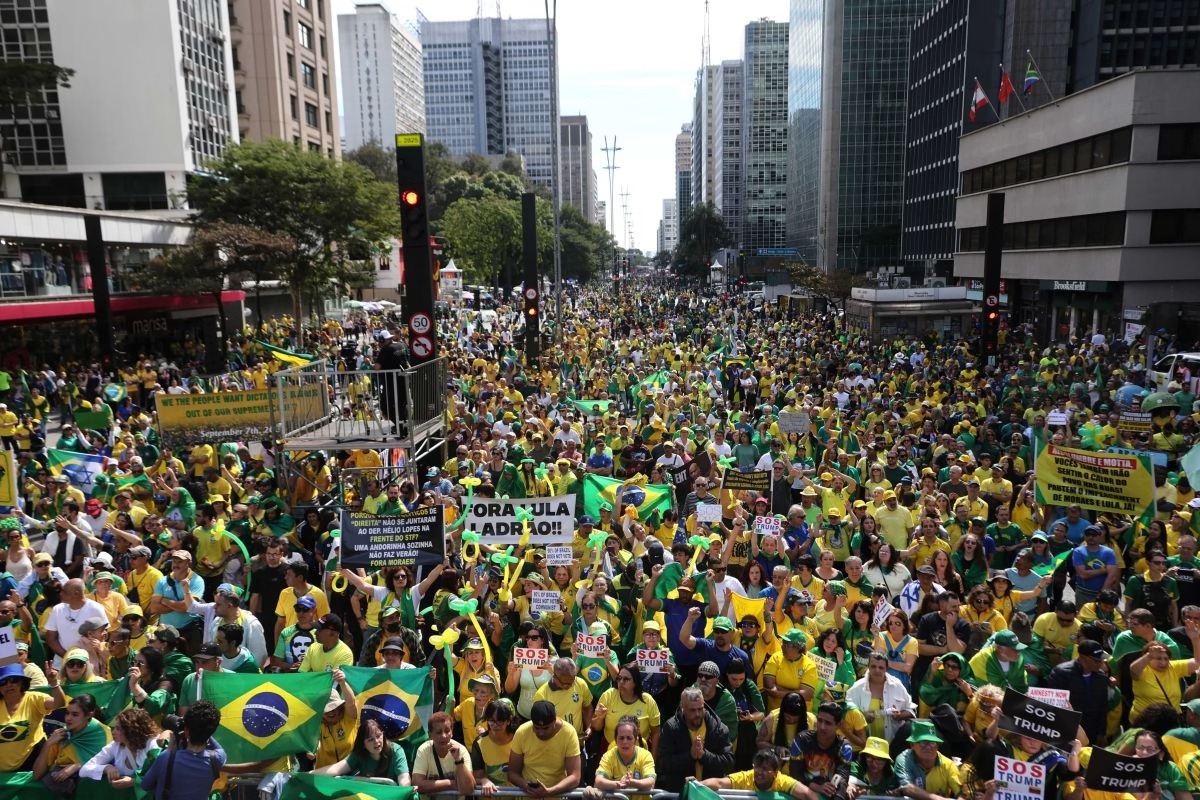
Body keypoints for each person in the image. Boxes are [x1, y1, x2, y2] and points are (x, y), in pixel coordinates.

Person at [140, 701, 227, 800]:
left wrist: (168, 750)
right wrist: (202, 728)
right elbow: (216, 745)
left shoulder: (166, 758)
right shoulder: (217, 758)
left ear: (186, 730)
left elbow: (145, 785)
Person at [657, 686, 734, 791]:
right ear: (682, 708)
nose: (697, 714)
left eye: (700, 709)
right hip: (680, 793)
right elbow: (663, 764)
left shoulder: (718, 728)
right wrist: (690, 756)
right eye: (692, 710)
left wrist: (704, 755)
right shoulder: (671, 729)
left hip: (710, 794)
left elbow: (728, 764)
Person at [506, 700, 582, 798]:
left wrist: (550, 791)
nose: (541, 733)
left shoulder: (569, 733)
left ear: (554, 721)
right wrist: (527, 787)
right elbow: (512, 773)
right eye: (537, 728)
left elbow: (575, 777)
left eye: (546, 728)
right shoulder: (522, 732)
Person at [79, 707, 162, 792]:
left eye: (118, 728)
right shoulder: (116, 745)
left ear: (132, 730)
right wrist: (106, 768)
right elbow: (84, 770)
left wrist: (134, 782)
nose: (113, 732)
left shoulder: (152, 745)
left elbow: (160, 776)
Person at [314, 716, 411, 784]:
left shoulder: (396, 751)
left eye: (378, 736)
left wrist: (405, 789)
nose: (377, 742)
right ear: (363, 744)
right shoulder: (358, 755)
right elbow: (335, 769)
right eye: (370, 739)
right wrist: (305, 775)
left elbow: (404, 778)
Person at [784, 701, 853, 793]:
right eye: (820, 720)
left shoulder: (845, 748)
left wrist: (833, 789)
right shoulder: (800, 740)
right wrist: (817, 787)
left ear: (839, 725)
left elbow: (842, 778)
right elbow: (795, 775)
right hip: (803, 790)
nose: (822, 727)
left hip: (830, 792)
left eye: (828, 723)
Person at [592, 663, 661, 753]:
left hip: (640, 752)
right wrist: (599, 718)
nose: (621, 682)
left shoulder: (648, 701)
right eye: (619, 678)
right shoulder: (608, 695)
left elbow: (656, 732)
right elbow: (596, 727)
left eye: (626, 679)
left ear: (636, 682)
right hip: (610, 750)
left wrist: (653, 759)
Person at [847, 652, 916, 741]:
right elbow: (847, 714)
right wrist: (863, 717)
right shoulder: (857, 688)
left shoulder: (897, 685)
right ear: (868, 666)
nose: (877, 670)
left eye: (881, 667)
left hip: (893, 742)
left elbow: (911, 710)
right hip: (866, 744)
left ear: (886, 669)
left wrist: (900, 715)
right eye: (873, 666)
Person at [892, 719, 963, 800]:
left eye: (933, 743)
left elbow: (961, 793)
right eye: (923, 742)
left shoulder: (948, 765)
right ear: (912, 745)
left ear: (937, 746)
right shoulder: (903, 760)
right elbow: (907, 788)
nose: (929, 747)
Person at [411, 711, 476, 796]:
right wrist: (451, 783)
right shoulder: (424, 750)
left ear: (452, 732)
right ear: (430, 734)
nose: (444, 736)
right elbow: (417, 785)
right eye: (438, 732)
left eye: (447, 731)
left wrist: (459, 761)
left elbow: (468, 789)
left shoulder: (461, 750)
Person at [701, 746, 807, 798]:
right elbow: (719, 782)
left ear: (775, 772)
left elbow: (806, 794)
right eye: (757, 767)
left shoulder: (783, 781)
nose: (760, 772)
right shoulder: (746, 776)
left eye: (765, 769)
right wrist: (696, 784)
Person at [594, 715, 657, 794]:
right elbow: (598, 781)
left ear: (635, 740)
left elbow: (650, 782)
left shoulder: (646, 755)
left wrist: (631, 782)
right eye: (621, 738)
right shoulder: (608, 756)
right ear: (615, 740)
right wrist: (618, 784)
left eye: (629, 738)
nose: (625, 742)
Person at [471, 698, 518, 795]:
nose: (495, 725)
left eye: (499, 721)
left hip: (516, 795)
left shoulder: (518, 739)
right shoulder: (479, 743)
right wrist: (484, 781)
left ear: (508, 721)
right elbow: (476, 776)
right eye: (491, 721)